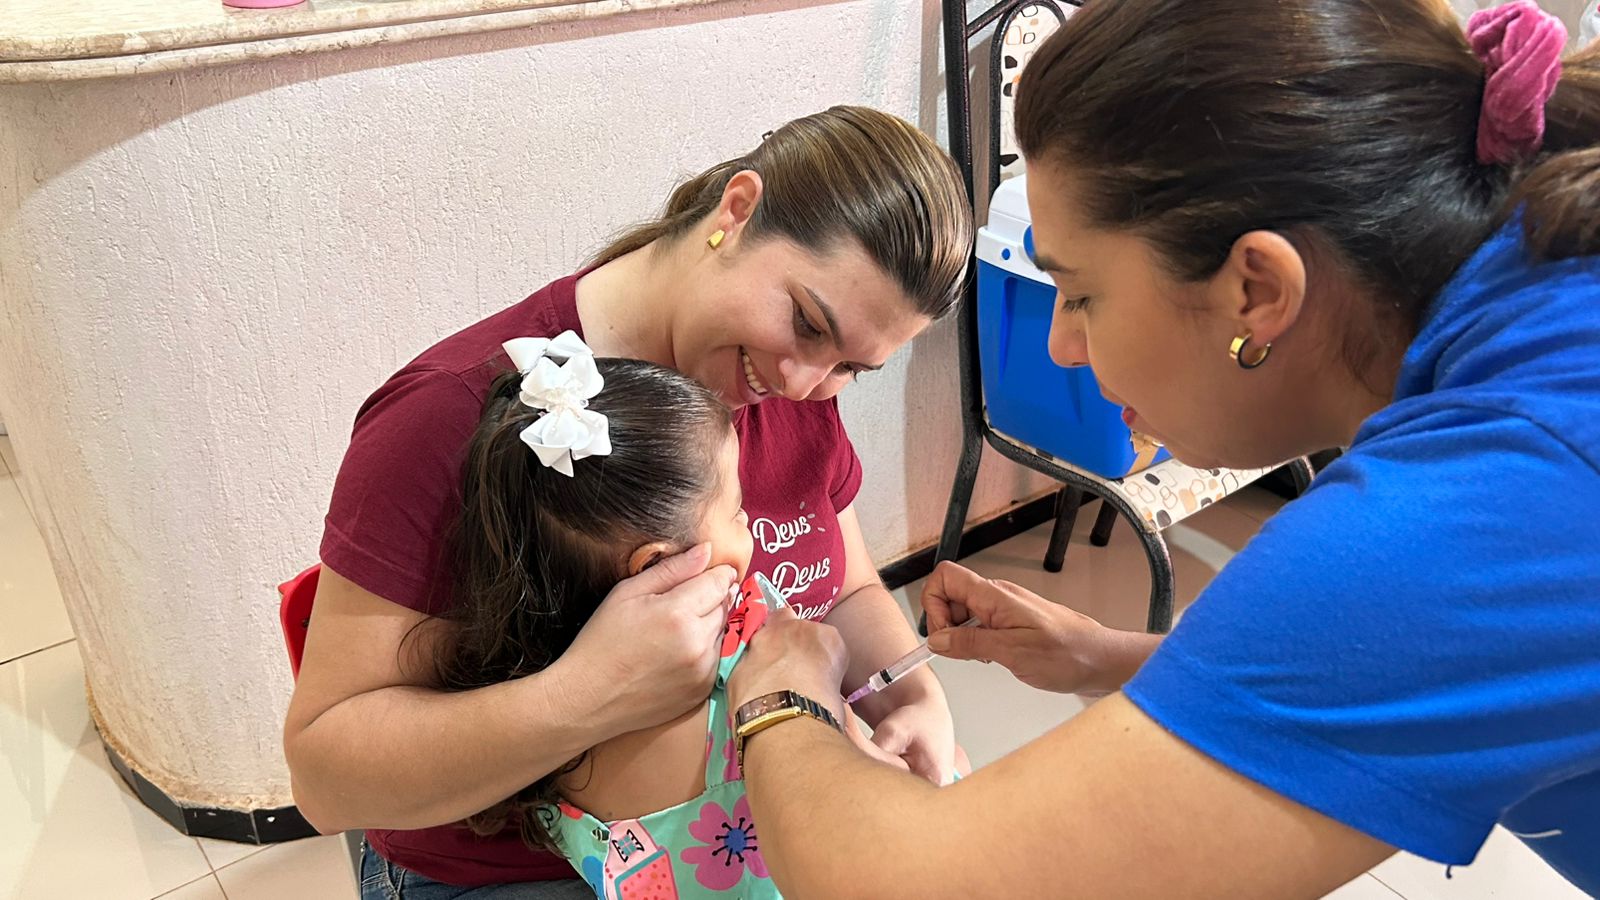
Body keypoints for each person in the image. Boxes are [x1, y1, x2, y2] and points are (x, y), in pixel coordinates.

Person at [724, 1, 1600, 897]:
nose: (1062, 345)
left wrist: (783, 691)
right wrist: (1107, 658)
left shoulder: (1476, 514)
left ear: (1256, 289)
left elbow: (902, 883)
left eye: (1081, 292)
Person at [282, 106, 973, 898]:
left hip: (753, 830)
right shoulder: (444, 419)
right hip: (510, 873)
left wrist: (914, 692)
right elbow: (327, 778)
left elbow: (844, 586)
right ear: (736, 212)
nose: (803, 385)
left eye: (855, 366)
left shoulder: (790, 383)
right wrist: (582, 697)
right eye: (807, 324)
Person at [431, 336, 900, 899]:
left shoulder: (538, 700)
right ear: (660, 565)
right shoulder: (754, 648)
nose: (750, 526)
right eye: (735, 509)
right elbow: (873, 803)